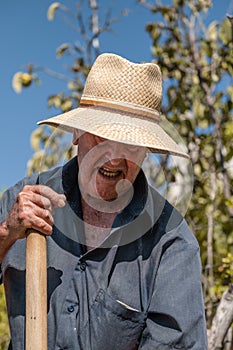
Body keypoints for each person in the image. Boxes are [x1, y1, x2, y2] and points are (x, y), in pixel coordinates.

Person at [0, 53, 207, 349]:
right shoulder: (22, 201)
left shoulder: (170, 242)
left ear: (147, 149)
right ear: (76, 132)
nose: (113, 156)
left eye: (130, 144)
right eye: (101, 137)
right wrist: (7, 234)